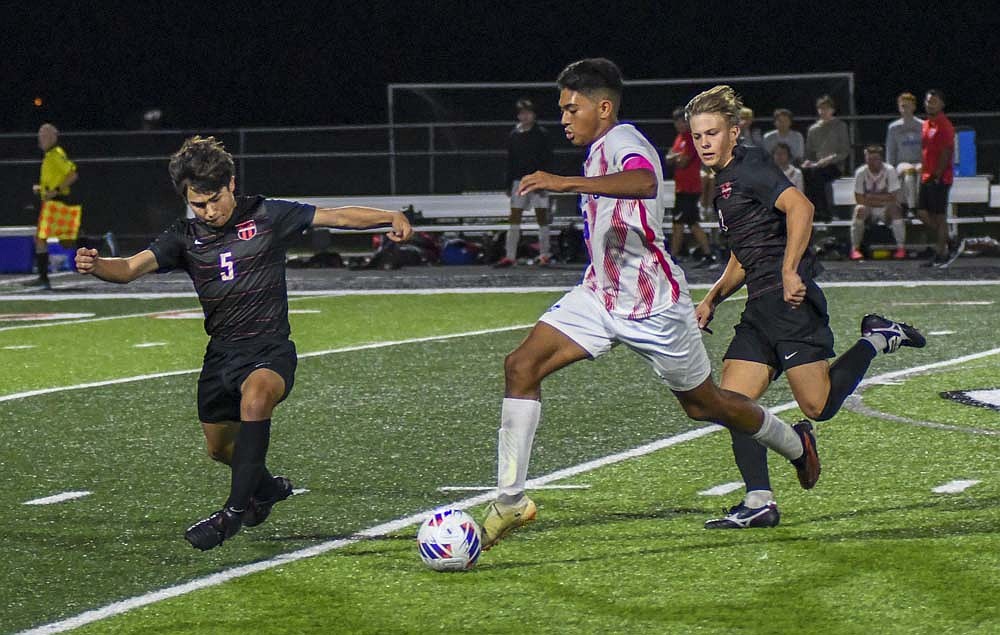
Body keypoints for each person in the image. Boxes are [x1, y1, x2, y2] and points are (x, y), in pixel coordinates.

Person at [479, 59, 821, 550]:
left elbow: (642, 182)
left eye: (571, 108)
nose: (564, 118)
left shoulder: (624, 141)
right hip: (599, 295)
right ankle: (510, 500)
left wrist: (565, 183)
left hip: (654, 306)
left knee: (705, 406)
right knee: (521, 365)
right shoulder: (598, 146)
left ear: (602, 107)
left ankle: (794, 442)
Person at [74, 136, 413, 551]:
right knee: (220, 450)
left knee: (256, 399)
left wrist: (389, 216)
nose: (209, 211)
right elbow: (128, 269)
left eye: (215, 199)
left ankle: (234, 514)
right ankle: (266, 489)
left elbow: (336, 217)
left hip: (269, 349)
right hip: (221, 356)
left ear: (231, 184)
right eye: (199, 204)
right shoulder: (184, 236)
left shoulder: (267, 215)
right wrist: (96, 266)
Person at [687, 85, 925, 529]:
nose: (704, 142)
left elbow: (801, 207)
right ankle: (759, 500)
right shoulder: (723, 182)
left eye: (712, 133)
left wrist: (791, 271)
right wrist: (713, 297)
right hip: (759, 308)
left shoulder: (751, 167)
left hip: (789, 303)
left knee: (817, 407)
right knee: (733, 403)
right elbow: (747, 250)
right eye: (698, 135)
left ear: (733, 133)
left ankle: (878, 337)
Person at [496, 98, 554, 268]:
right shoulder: (514, 135)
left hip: (537, 180)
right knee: (514, 218)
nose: (524, 116)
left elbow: (548, 159)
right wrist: (508, 184)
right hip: (518, 182)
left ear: (534, 115)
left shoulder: (541, 134)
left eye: (528, 113)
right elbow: (510, 161)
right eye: (522, 113)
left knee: (542, 218)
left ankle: (544, 254)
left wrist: (545, 182)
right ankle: (510, 255)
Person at [27, 123, 80, 289]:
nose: (40, 140)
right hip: (51, 203)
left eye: (44, 136)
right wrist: (41, 189)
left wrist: (56, 190)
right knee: (63, 241)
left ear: (53, 137)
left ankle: (44, 279)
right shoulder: (49, 155)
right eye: (40, 136)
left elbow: (72, 175)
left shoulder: (56, 154)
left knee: (45, 239)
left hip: (58, 204)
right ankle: (43, 278)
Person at [666, 106, 715, 268]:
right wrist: (675, 157)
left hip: (690, 187)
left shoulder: (691, 138)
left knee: (680, 222)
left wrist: (674, 157)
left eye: (683, 121)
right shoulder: (679, 138)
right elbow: (669, 158)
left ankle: (673, 257)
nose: (680, 125)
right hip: (682, 187)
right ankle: (707, 254)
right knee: (690, 223)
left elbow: (683, 161)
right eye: (677, 122)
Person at [916, 89, 955, 267]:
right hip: (926, 175)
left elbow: (946, 151)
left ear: (941, 104)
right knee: (922, 212)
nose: (930, 104)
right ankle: (947, 239)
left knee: (939, 216)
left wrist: (937, 175)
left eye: (934, 101)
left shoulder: (945, 125)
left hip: (939, 177)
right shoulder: (925, 124)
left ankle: (942, 252)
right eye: (928, 101)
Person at [850, 145, 905, 260]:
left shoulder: (889, 170)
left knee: (896, 209)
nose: (872, 162)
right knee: (859, 210)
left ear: (881, 159)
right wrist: (883, 197)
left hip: (886, 209)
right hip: (869, 209)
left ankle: (901, 248)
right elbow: (859, 198)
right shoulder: (861, 172)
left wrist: (871, 197)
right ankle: (855, 249)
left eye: (875, 159)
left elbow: (894, 196)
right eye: (869, 159)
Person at [801, 95, 850, 221]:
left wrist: (829, 159)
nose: (823, 111)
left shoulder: (840, 126)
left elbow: (844, 151)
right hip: (817, 165)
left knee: (818, 174)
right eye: (821, 109)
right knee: (805, 173)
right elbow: (809, 153)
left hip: (835, 165)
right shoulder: (813, 129)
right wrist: (807, 162)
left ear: (832, 110)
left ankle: (824, 211)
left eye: (826, 108)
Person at [885, 92, 923, 212]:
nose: (905, 109)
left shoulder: (923, 125)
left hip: (919, 161)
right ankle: (911, 207)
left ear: (914, 107)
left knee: (921, 170)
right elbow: (891, 150)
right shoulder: (894, 127)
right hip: (903, 162)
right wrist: (890, 170)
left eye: (908, 106)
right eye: (903, 106)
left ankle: (922, 204)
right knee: (909, 171)